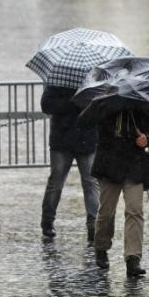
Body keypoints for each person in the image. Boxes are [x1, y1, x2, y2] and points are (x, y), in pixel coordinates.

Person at [91, 109, 149, 277]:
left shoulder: (141, 106)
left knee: (135, 210)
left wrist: (147, 139)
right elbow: (94, 129)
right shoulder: (106, 106)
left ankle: (133, 258)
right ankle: (101, 247)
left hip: (134, 165)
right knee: (106, 211)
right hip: (109, 164)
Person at [39, 86, 99, 241]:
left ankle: (93, 225)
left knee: (91, 181)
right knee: (56, 180)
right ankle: (47, 221)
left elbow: (100, 106)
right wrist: (73, 102)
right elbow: (46, 104)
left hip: (87, 138)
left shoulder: (94, 82)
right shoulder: (57, 80)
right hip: (62, 138)